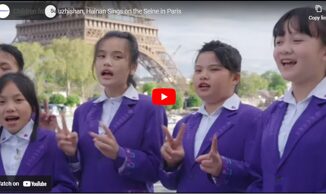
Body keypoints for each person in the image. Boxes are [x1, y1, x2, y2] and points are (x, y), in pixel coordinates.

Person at [56, 31, 167, 192]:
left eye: (117, 57)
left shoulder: (150, 108)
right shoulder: (82, 111)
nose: (106, 62)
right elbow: (77, 174)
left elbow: (156, 169)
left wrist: (120, 154)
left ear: (133, 67)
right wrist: (72, 154)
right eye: (101, 56)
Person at [159, 40, 262, 192]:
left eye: (213, 69)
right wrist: (172, 164)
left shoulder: (255, 119)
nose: (203, 76)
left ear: (235, 78)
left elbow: (261, 178)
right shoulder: (184, 124)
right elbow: (170, 184)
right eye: (198, 70)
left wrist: (223, 168)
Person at [247, 7, 326, 192]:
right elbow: (258, 177)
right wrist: (223, 168)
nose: (284, 49)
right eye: (279, 42)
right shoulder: (270, 115)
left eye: (297, 40)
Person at [0, 73, 76, 192]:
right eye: (1, 102)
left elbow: (67, 186)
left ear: (33, 105)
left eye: (18, 100)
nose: (10, 108)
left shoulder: (52, 141)